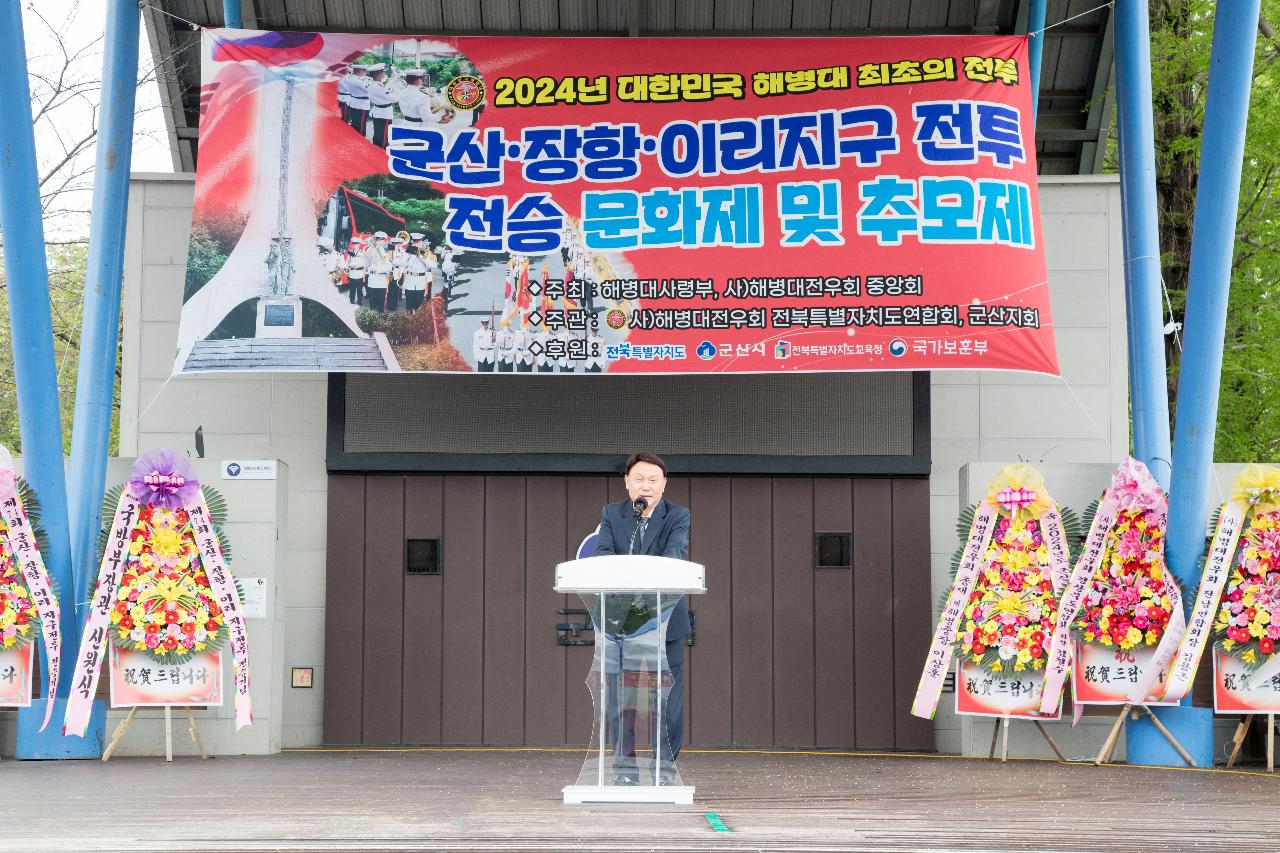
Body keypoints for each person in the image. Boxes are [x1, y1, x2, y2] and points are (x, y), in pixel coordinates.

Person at [592, 451, 691, 781]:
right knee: (623, 703)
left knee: (667, 703)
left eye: (652, 480)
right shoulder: (612, 514)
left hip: (664, 624)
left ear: (664, 485)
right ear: (626, 483)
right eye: (639, 479)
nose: (645, 486)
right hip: (622, 625)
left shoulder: (678, 515)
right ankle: (624, 771)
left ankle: (664, 770)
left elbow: (674, 555)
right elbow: (604, 556)